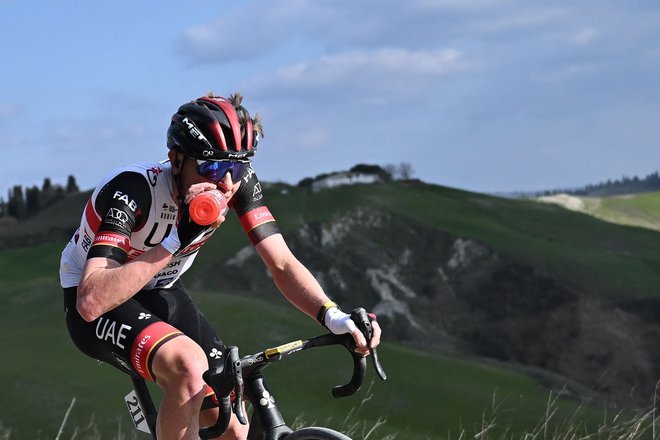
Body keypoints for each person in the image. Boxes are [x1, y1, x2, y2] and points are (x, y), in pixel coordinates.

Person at [59, 92, 382, 440]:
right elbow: (91, 301)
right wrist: (175, 241)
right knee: (188, 367)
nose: (226, 184)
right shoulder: (133, 190)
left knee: (234, 428)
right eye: (212, 168)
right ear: (176, 160)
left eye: (238, 167)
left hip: (161, 290)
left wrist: (333, 316)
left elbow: (282, 264)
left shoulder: (236, 183)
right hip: (101, 302)